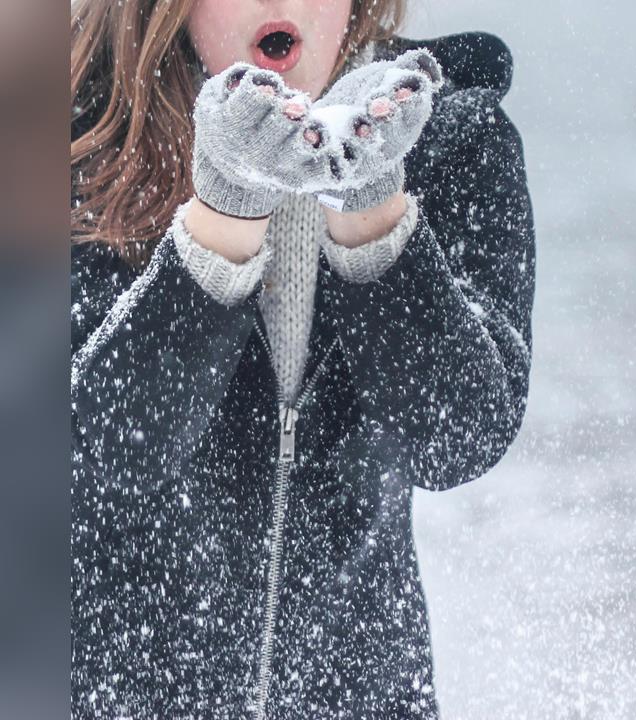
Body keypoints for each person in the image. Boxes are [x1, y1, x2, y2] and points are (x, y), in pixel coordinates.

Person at [70, 0, 536, 717]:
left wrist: (371, 210)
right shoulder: (71, 142)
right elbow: (93, 451)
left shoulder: (451, 139)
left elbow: (458, 439)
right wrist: (225, 213)